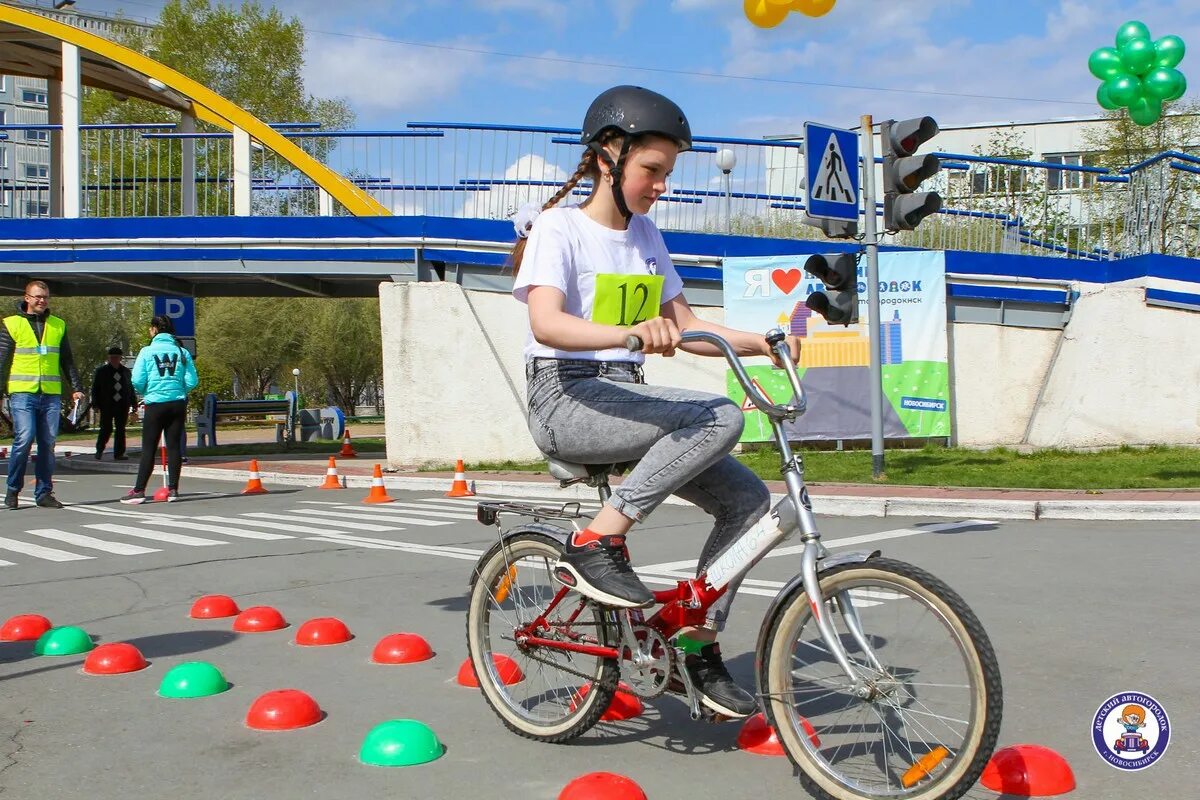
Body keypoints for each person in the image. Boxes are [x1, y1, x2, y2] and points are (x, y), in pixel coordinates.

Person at [511, 85, 801, 719]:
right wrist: (630, 334)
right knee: (718, 414)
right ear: (606, 157)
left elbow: (691, 327)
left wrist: (762, 342)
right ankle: (597, 541)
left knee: (749, 504)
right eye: (651, 170)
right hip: (565, 396)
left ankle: (696, 648)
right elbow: (547, 325)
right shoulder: (558, 229)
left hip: (625, 398)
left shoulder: (645, 237)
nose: (661, 185)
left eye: (667, 173)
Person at [0, 280, 86, 510]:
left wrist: (76, 386)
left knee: (47, 443)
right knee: (25, 439)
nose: (42, 301)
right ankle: (13, 489)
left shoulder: (58, 325)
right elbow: (1, 359)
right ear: (26, 298)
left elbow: (67, 360)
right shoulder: (11, 324)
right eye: (37, 296)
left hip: (50, 394)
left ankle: (44, 493)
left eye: (45, 297)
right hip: (22, 393)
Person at [120, 315, 198, 504]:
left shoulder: (146, 352)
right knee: (173, 447)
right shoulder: (181, 352)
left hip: (155, 403)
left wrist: (146, 391)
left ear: (154, 329)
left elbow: (137, 380)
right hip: (177, 403)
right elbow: (192, 380)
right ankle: (173, 490)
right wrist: (179, 389)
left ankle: (139, 491)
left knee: (149, 448)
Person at [92, 346, 135, 461]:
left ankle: (119, 453)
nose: (114, 360)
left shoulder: (126, 372)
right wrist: (95, 404)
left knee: (121, 429)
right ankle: (99, 450)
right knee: (106, 428)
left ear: (120, 358)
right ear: (109, 358)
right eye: (112, 357)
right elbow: (95, 388)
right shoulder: (102, 371)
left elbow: (130, 388)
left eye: (117, 357)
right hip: (107, 404)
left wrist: (134, 403)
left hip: (122, 404)